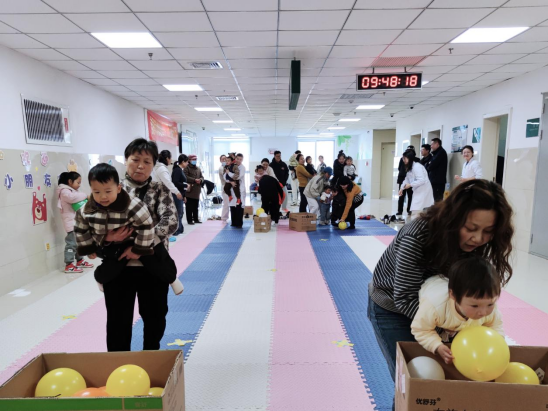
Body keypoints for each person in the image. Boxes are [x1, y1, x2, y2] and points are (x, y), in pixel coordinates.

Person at [368, 180, 514, 393]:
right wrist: (444, 331)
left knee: (444, 383)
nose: (478, 238)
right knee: (414, 384)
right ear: (453, 219)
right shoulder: (416, 235)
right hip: (393, 306)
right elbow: (404, 297)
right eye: (471, 228)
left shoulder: (477, 244)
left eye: (488, 231)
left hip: (442, 309)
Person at [97, 138, 178, 352]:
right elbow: (93, 223)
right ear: (125, 160)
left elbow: (170, 222)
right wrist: (108, 238)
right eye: (135, 160)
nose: (140, 166)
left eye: (147, 161)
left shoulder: (160, 189)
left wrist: (138, 247)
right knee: (117, 321)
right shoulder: (109, 190)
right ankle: (116, 366)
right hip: (118, 267)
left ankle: (151, 359)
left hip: (153, 266)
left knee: (155, 318)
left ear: (154, 165)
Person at [74, 163, 155, 291]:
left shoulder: (132, 205)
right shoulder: (86, 211)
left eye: (108, 191)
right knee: (114, 264)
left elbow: (146, 226)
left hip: (134, 241)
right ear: (91, 190)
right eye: (97, 192)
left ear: (118, 188)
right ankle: (101, 278)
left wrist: (138, 249)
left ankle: (170, 277)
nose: (103, 196)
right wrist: (88, 248)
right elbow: (81, 230)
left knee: (157, 260)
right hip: (108, 247)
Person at [411, 255, 504, 365]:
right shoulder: (434, 307)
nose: (483, 312)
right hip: (432, 284)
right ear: (453, 295)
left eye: (490, 304)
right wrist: (436, 346)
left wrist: (495, 344)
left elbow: (495, 326)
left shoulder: (487, 307)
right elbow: (421, 329)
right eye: (474, 306)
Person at [57, 171, 93, 273]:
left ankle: (80, 260)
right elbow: (72, 198)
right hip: (70, 223)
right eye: (78, 182)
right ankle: (68, 264)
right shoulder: (64, 191)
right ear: (70, 181)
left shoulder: (71, 191)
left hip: (76, 222)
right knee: (71, 244)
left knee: (78, 243)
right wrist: (86, 195)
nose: (79, 184)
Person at [152, 150, 184, 238]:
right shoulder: (162, 169)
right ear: (167, 158)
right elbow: (167, 182)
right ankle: (163, 235)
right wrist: (177, 192)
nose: (171, 160)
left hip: (159, 195)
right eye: (170, 158)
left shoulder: (158, 167)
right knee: (166, 216)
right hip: (162, 196)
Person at [399, 150, 434, 219]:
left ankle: (415, 226)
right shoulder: (410, 167)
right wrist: (401, 188)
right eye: (403, 158)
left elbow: (421, 180)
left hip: (423, 190)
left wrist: (410, 185)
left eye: (405, 158)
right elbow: (407, 179)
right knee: (417, 210)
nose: (404, 160)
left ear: (410, 158)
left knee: (416, 210)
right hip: (418, 191)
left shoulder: (417, 167)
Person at [397, 145, 417, 217]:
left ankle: (409, 210)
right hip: (403, 178)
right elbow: (400, 168)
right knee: (401, 195)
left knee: (410, 196)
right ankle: (400, 210)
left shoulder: (416, 160)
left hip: (412, 181)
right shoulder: (402, 159)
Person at [228, 153, 247, 227]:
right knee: (232, 206)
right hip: (232, 188)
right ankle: (233, 222)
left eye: (241, 159)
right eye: (238, 159)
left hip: (240, 189)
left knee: (239, 206)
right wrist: (230, 180)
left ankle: (239, 223)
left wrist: (230, 176)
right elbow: (226, 175)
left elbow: (238, 176)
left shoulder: (242, 167)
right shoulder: (231, 166)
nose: (239, 161)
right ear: (235, 158)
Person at [171, 154, 188, 235]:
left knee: (180, 212)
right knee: (178, 212)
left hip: (181, 194)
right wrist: (185, 185)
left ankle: (180, 228)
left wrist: (184, 196)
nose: (187, 163)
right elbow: (175, 182)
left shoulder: (180, 170)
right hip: (176, 194)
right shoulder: (177, 170)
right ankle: (177, 229)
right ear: (183, 162)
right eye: (187, 162)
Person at [184, 154, 203, 225]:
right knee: (189, 207)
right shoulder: (186, 168)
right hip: (189, 190)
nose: (195, 161)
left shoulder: (198, 169)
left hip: (197, 190)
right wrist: (194, 180)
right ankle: (189, 220)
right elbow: (185, 177)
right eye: (193, 159)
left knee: (196, 206)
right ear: (189, 160)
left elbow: (202, 177)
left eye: (195, 159)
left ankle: (196, 219)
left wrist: (200, 180)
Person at [428, 137, 448, 202]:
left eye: (432, 144)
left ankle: (438, 211)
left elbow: (431, 165)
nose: (431, 146)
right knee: (434, 197)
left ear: (437, 144)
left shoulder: (441, 153)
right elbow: (430, 164)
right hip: (434, 180)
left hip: (438, 181)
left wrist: (429, 164)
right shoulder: (435, 153)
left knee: (438, 199)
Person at [218, 155, 230, 222]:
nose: (224, 160)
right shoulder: (221, 168)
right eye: (223, 159)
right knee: (226, 203)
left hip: (229, 187)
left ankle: (226, 217)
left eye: (225, 159)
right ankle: (224, 218)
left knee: (229, 202)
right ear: (220, 160)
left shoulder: (227, 167)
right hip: (225, 186)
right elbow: (226, 178)